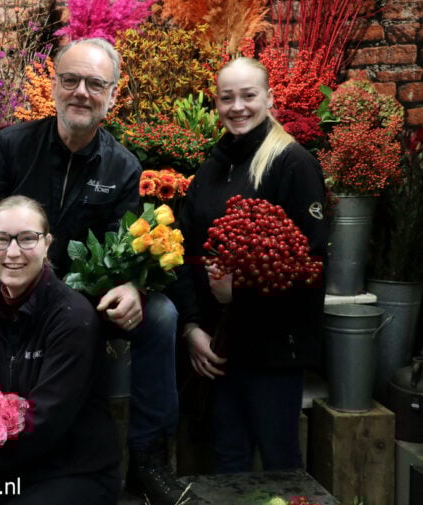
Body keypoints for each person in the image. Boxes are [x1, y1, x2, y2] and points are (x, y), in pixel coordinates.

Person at [0, 38, 184, 503]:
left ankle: (148, 457)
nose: (81, 91)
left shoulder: (122, 166)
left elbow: (124, 246)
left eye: (95, 84)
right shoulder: (11, 147)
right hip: (11, 285)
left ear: (112, 95)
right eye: (70, 80)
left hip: (81, 301)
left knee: (162, 315)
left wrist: (133, 284)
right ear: (54, 86)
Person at [171, 56, 329, 473]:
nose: (237, 107)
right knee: (228, 459)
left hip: (272, 349)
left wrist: (238, 293)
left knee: (280, 461)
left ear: (269, 98)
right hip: (219, 349)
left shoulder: (293, 163)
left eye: (248, 95)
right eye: (227, 98)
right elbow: (181, 251)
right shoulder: (212, 168)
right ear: (216, 103)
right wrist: (192, 328)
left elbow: (311, 265)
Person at [0, 195, 121, 505]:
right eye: (1, 239)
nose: (13, 252)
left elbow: (46, 421)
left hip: (72, 471)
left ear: (47, 243)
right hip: (9, 466)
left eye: (27, 239)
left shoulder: (72, 318)